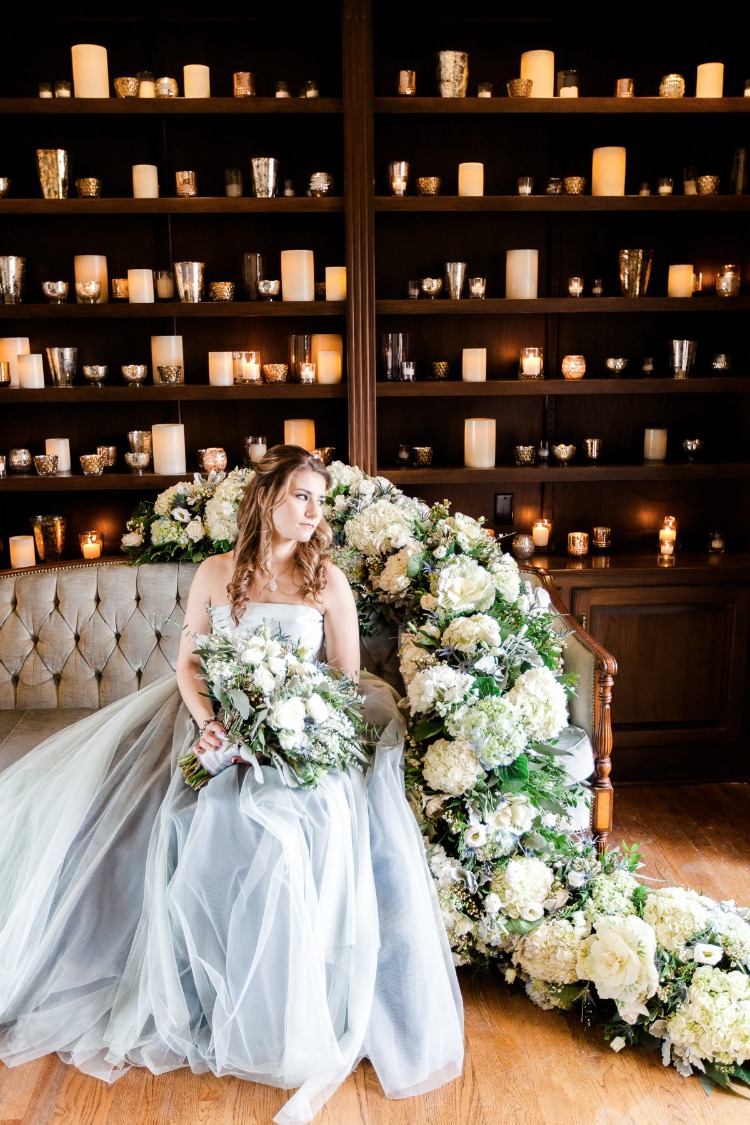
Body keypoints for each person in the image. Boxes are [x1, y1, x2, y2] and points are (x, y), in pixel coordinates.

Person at [0, 445, 464, 1124]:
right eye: (301, 495)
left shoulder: (327, 580)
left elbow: (343, 680)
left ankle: (289, 1004)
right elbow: (188, 665)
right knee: (207, 814)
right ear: (267, 497)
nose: (313, 512)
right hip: (216, 725)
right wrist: (212, 724)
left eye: (319, 500)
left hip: (302, 734)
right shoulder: (218, 574)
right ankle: (203, 999)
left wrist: (291, 726)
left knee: (305, 822)